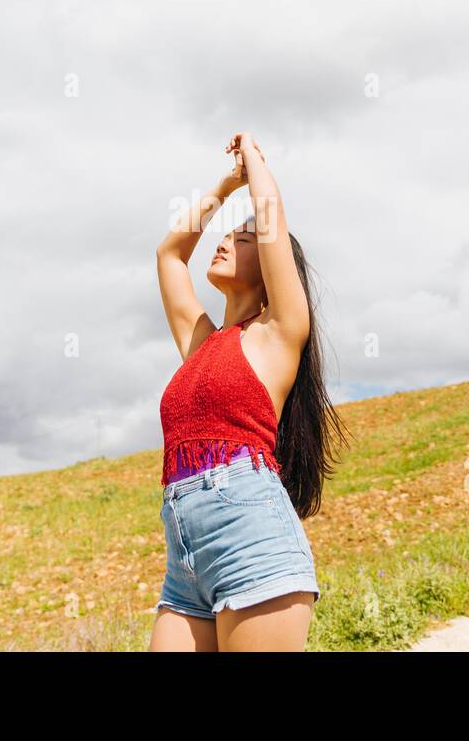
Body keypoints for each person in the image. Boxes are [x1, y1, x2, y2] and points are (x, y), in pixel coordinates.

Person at [149, 131, 349, 651]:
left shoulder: (278, 334)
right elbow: (170, 256)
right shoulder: (203, 343)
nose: (223, 241)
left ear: (269, 270)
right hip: (185, 562)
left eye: (242, 240)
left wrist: (255, 160)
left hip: (254, 548)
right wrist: (225, 186)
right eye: (227, 235)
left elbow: (270, 213)